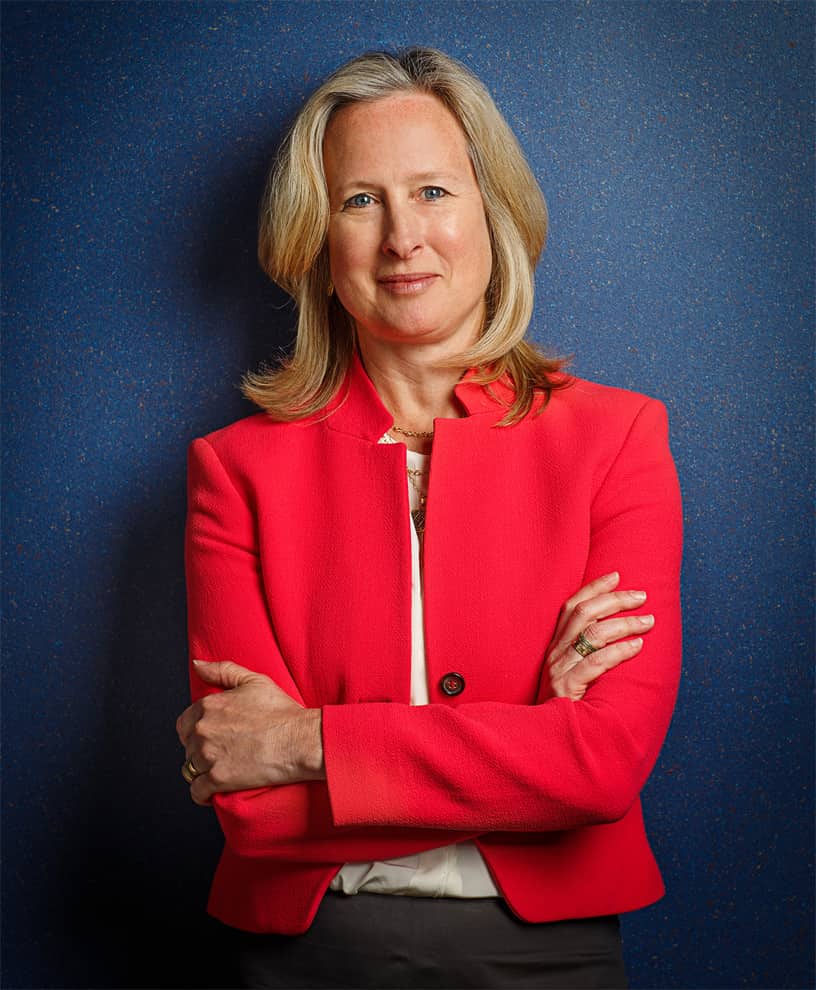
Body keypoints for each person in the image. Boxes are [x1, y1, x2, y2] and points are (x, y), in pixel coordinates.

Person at [175, 47, 682, 990]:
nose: (403, 238)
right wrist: (529, 753)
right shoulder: (235, 470)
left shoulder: (617, 440)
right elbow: (253, 808)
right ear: (317, 243)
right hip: (307, 955)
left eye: (434, 192)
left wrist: (304, 743)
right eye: (361, 201)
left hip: (551, 955)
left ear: (494, 214)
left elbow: (604, 768)